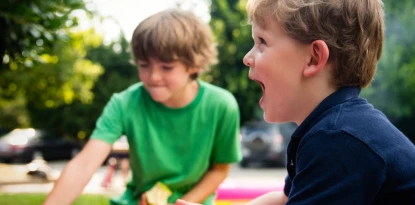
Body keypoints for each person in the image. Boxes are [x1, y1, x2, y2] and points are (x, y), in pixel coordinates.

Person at [176, 0, 415, 205]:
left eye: (262, 42)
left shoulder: (338, 140)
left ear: (313, 58)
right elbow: (284, 199)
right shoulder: (331, 128)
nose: (247, 57)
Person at [43, 8, 242, 205]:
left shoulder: (222, 105)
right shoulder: (124, 103)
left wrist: (181, 203)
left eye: (167, 67)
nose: (153, 77)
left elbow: (219, 170)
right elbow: (84, 164)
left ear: (195, 65)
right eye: (144, 65)